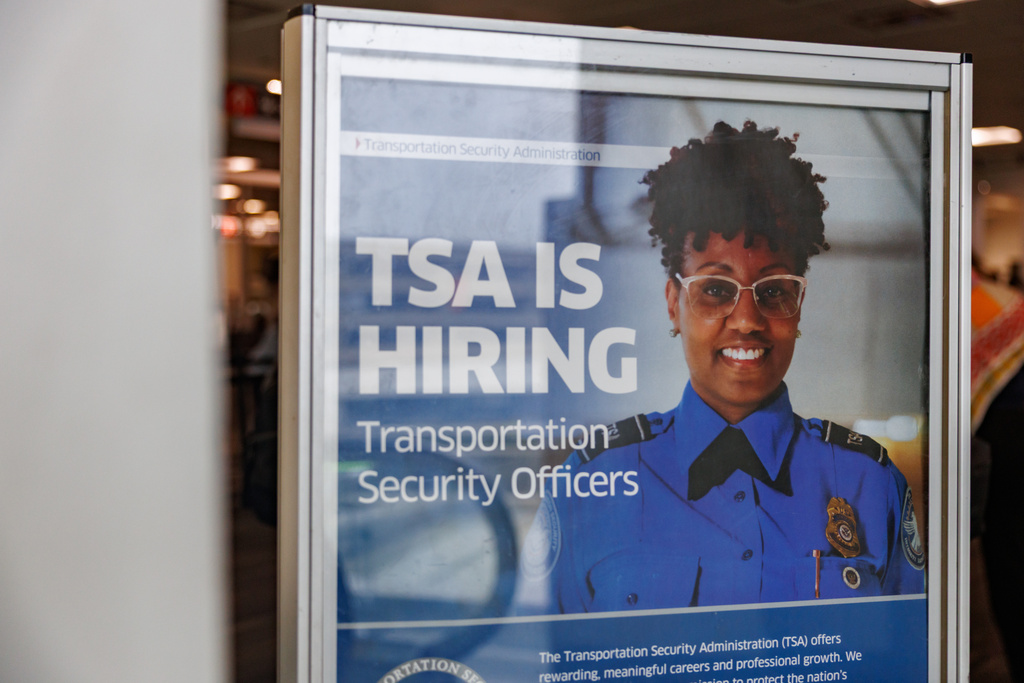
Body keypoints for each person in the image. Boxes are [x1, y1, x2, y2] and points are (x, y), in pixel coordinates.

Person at [521, 121, 925, 613]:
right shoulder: (595, 482)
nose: (748, 321)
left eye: (774, 291)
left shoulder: (868, 481)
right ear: (674, 304)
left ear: (798, 306)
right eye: (715, 290)